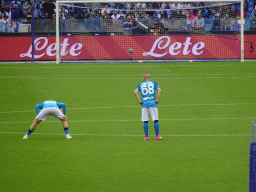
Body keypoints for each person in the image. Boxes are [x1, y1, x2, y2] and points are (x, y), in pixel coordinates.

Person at [134, 72, 162, 140]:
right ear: (149, 77)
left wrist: (139, 101)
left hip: (144, 104)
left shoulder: (140, 84)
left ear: (144, 77)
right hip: (152, 103)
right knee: (155, 120)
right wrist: (157, 100)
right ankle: (157, 136)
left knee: (145, 121)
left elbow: (135, 92)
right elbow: (159, 90)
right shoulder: (153, 83)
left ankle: (146, 137)